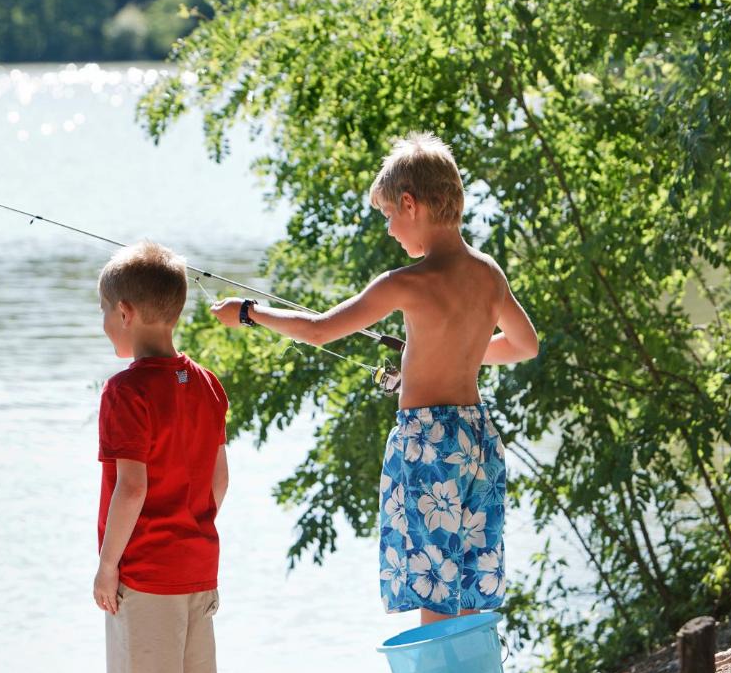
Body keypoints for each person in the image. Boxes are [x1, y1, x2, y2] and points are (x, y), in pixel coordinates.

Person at [210, 132, 538, 626]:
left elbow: (319, 330)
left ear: (411, 204)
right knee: (470, 584)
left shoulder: (405, 283)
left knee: (434, 585)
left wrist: (252, 313)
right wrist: (455, 352)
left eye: (389, 215)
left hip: (427, 443)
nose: (388, 229)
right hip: (478, 440)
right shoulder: (487, 273)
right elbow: (524, 345)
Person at [94, 240, 230, 673]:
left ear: (126, 313)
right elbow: (219, 481)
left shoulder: (125, 392)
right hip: (197, 568)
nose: (104, 323)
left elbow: (132, 488)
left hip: (147, 577)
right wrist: (187, 529)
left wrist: (108, 565)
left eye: (105, 311)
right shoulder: (208, 385)